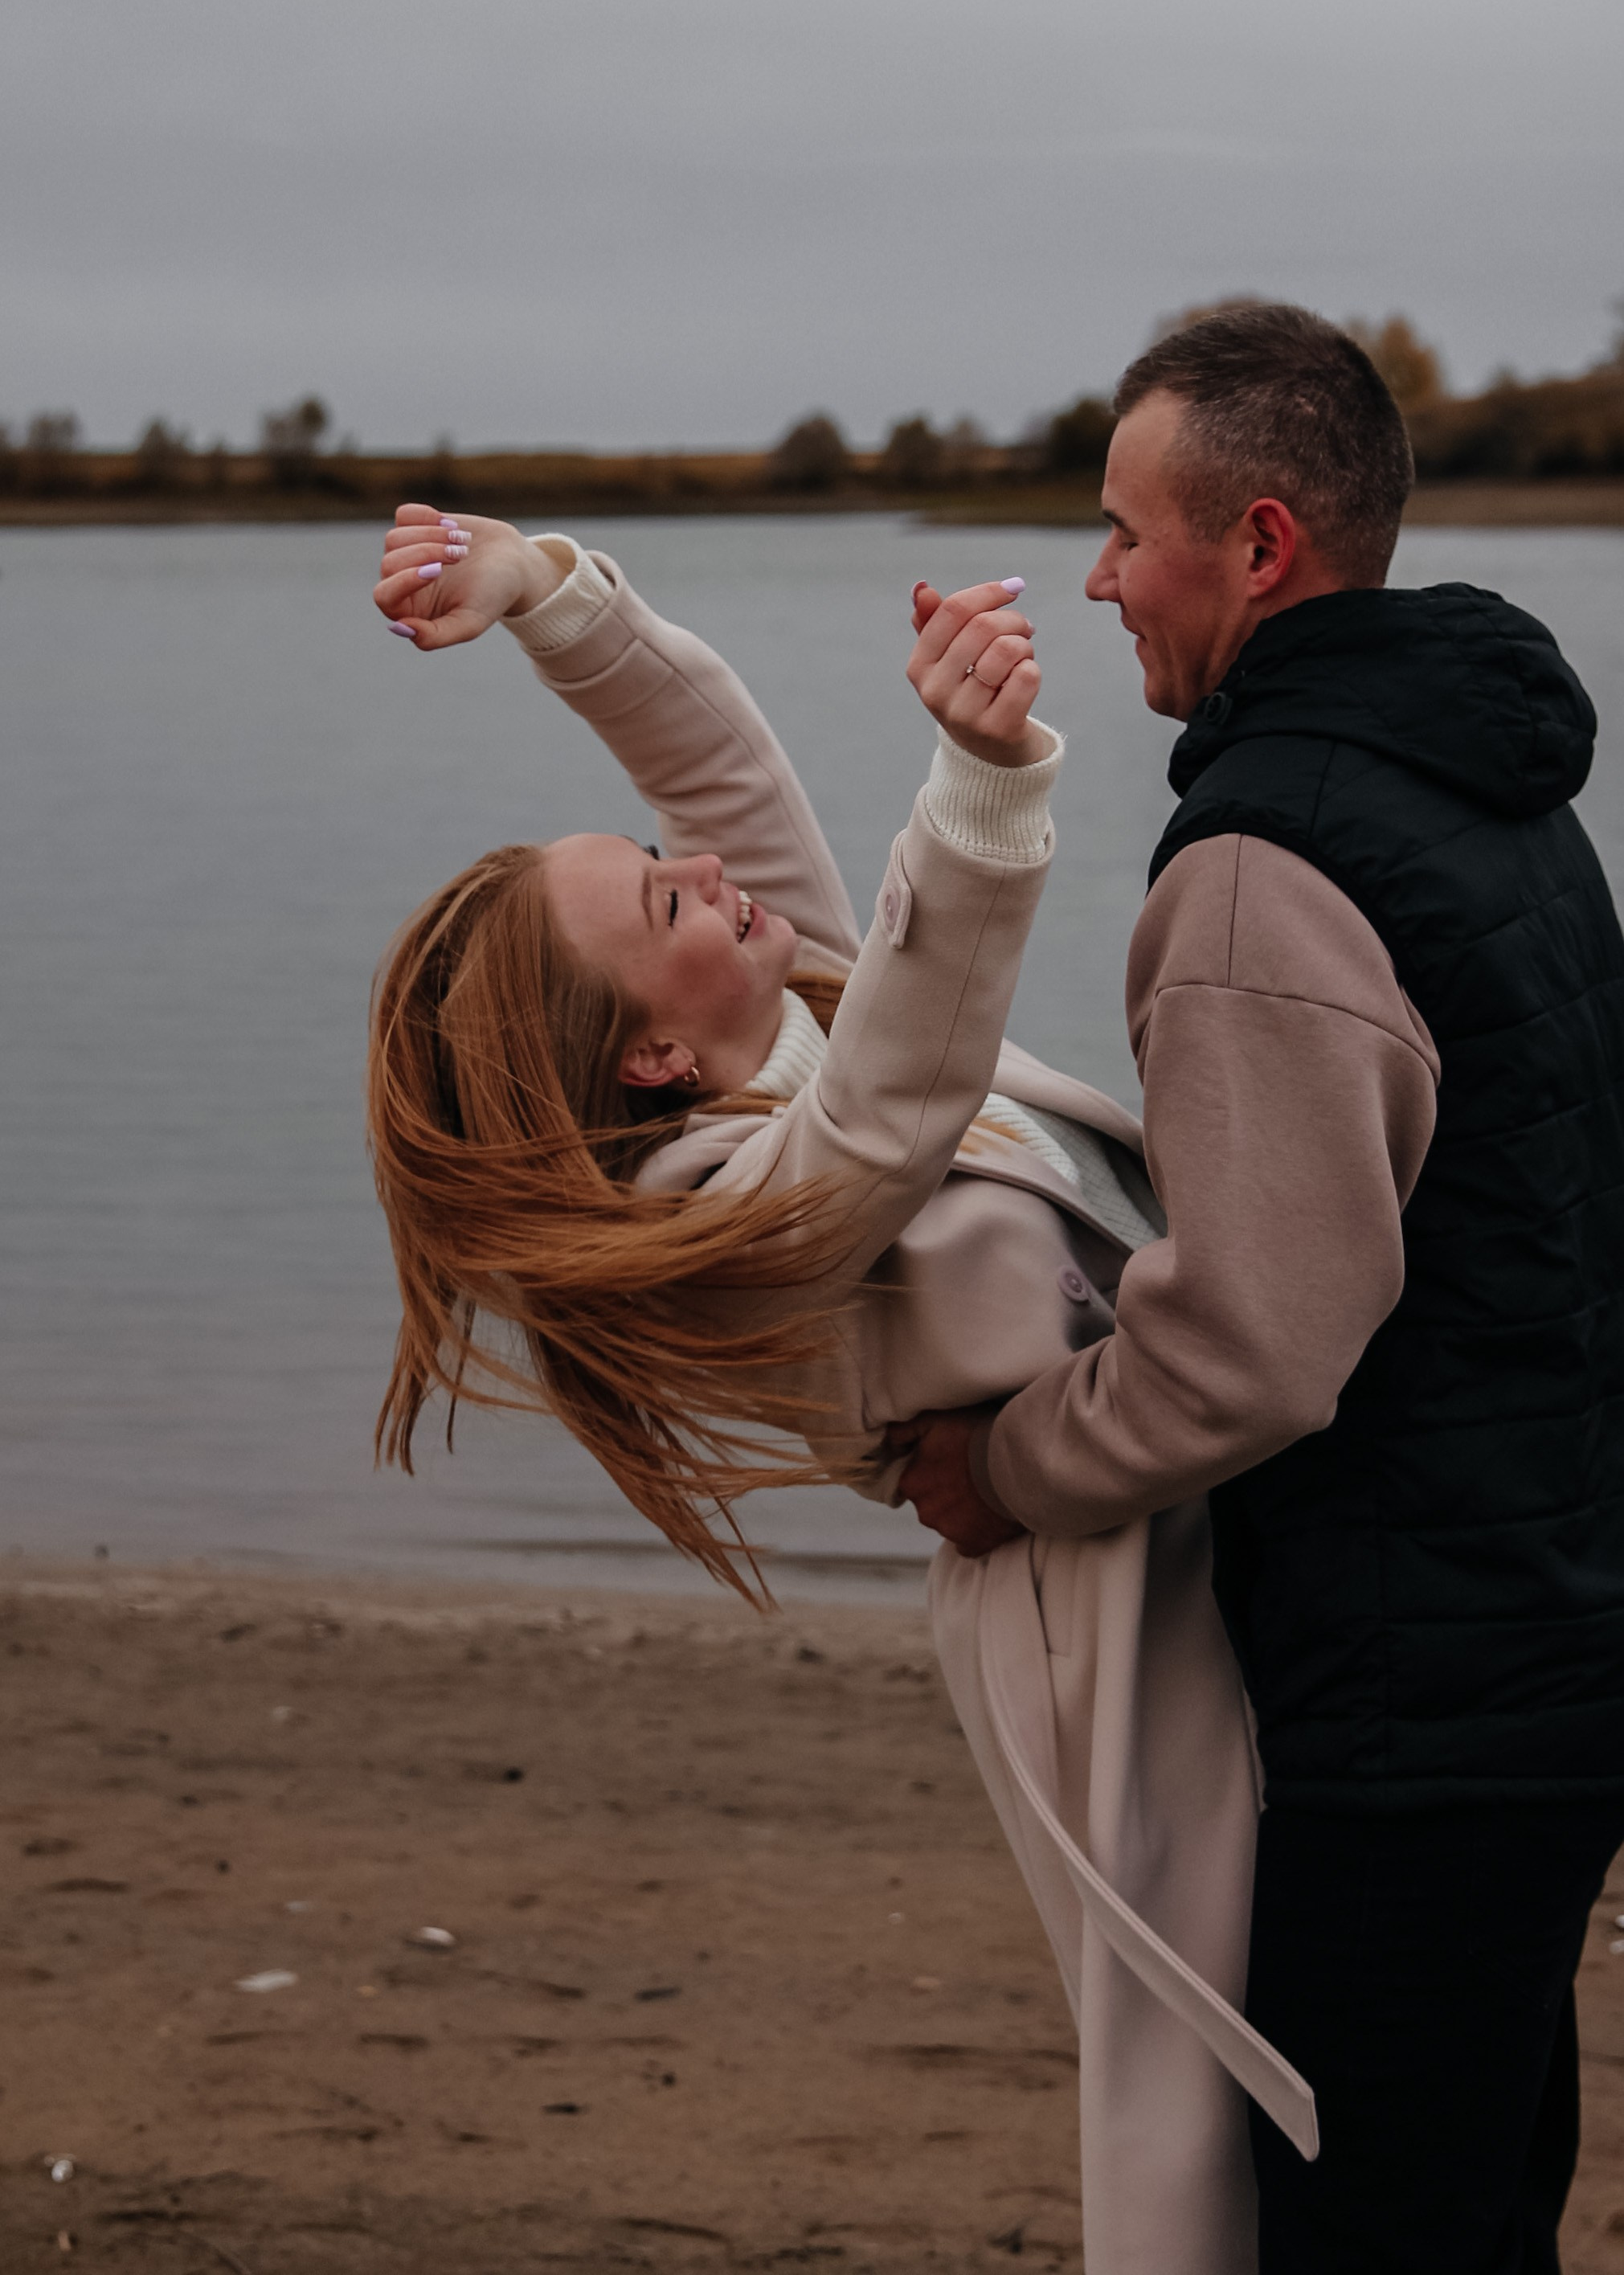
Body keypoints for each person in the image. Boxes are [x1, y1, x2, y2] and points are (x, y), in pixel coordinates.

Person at [366, 509, 1314, 2272]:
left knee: (1286, 2020)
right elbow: (890, 1104)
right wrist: (983, 786)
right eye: (668, 900)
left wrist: (549, 601)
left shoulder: (786, 1000)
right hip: (1078, 1609)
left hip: (1163, 1504)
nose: (710, 874)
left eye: (672, 862)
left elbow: (712, 765)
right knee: (1182, 2074)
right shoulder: (709, 1210)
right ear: (652, 1047)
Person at [893, 303, 1624, 2273]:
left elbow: (1251, 1350)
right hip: (1548, 1652)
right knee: (1480, 2210)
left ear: (1265, 547)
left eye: (1130, 530)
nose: (1100, 572)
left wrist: (1008, 1464)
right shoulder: (1502, 790)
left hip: (1416, 1704)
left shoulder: (1255, 859)